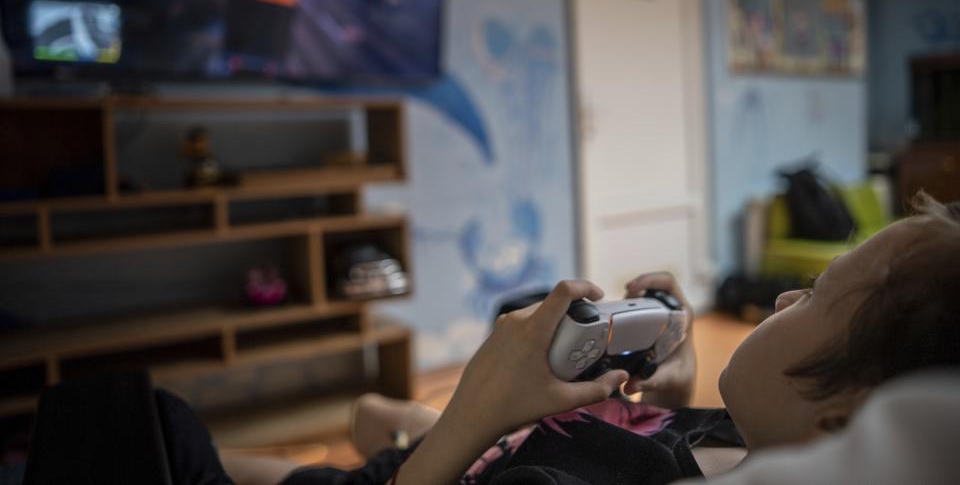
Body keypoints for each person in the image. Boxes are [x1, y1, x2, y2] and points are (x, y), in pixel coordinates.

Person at [215, 193, 960, 485]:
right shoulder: (749, 434)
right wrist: (669, 394)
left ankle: (394, 426)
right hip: (510, 438)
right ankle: (392, 417)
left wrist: (474, 410)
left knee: (179, 442)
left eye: (819, 294)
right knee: (387, 416)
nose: (787, 293)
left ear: (839, 425)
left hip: (432, 471)